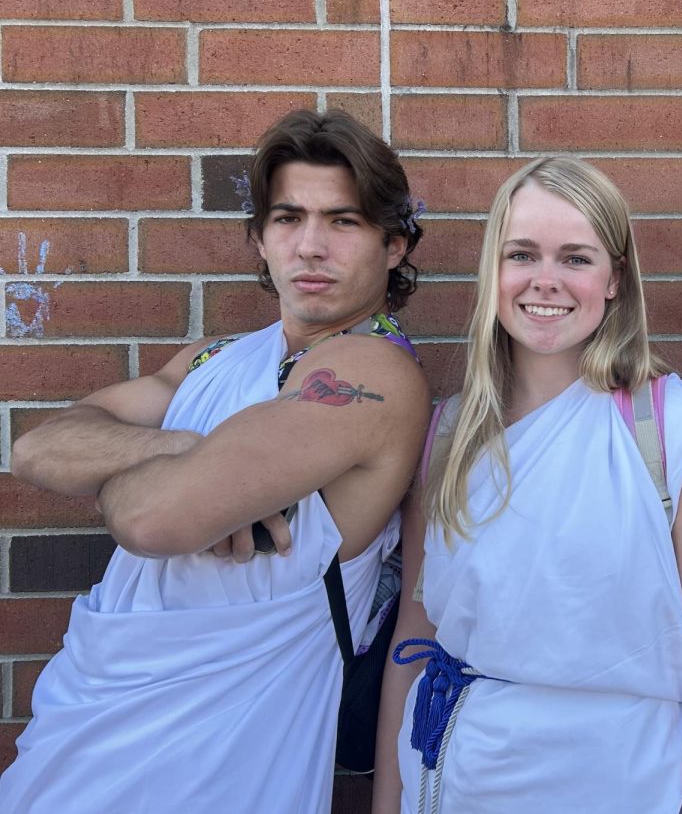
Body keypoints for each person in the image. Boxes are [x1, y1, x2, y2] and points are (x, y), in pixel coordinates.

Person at [2, 109, 431, 813]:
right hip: (86, 725)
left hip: (221, 755)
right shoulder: (215, 361)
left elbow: (152, 518)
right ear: (260, 240)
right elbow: (37, 446)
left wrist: (126, 476)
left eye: (343, 222)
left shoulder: (372, 373)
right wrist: (183, 449)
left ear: (393, 245)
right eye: (288, 219)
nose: (311, 246)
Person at [372, 156, 682, 814]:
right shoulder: (448, 434)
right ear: (494, 271)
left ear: (614, 279)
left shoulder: (673, 427)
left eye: (576, 258)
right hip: (457, 781)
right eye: (522, 254)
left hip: (619, 783)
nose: (545, 282)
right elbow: (415, 635)